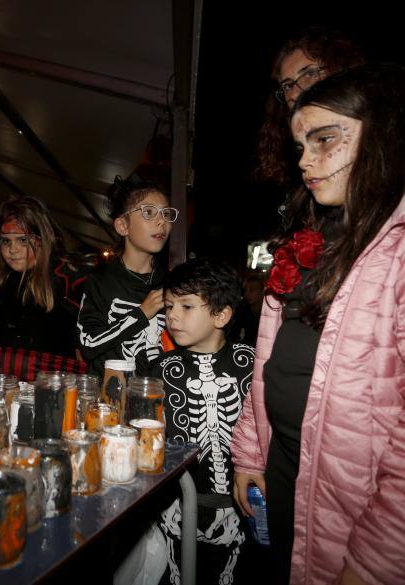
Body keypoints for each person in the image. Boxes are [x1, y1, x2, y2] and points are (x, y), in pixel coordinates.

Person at [232, 63, 405, 585]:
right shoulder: (309, 238)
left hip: (353, 510)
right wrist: (249, 452)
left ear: (381, 137)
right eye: (300, 145)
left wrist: (377, 561)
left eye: (325, 139)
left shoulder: (397, 250)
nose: (306, 159)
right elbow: (268, 356)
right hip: (283, 474)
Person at [152, 258, 253, 585]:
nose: (172, 316)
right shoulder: (159, 369)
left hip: (240, 512)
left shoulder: (250, 365)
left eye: (186, 306)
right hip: (173, 509)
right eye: (169, 306)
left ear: (221, 315)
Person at [77, 175, 174, 378]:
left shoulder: (173, 284)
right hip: (106, 392)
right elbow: (87, 344)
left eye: (166, 213)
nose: (161, 221)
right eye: (149, 212)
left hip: (156, 393)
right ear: (123, 226)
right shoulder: (101, 279)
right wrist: (141, 315)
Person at [0, 196, 87, 380]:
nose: (13, 249)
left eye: (23, 240)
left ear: (43, 237)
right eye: (6, 241)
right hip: (3, 383)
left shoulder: (68, 277)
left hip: (54, 384)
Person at [255, 26, 365, 189]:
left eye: (309, 74)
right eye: (287, 85)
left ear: (341, 71)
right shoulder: (293, 173)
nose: (293, 94)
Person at [232, 272, 265, 343]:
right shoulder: (241, 311)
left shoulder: (269, 315)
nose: (246, 294)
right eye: (245, 290)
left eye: (251, 290)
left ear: (263, 291)